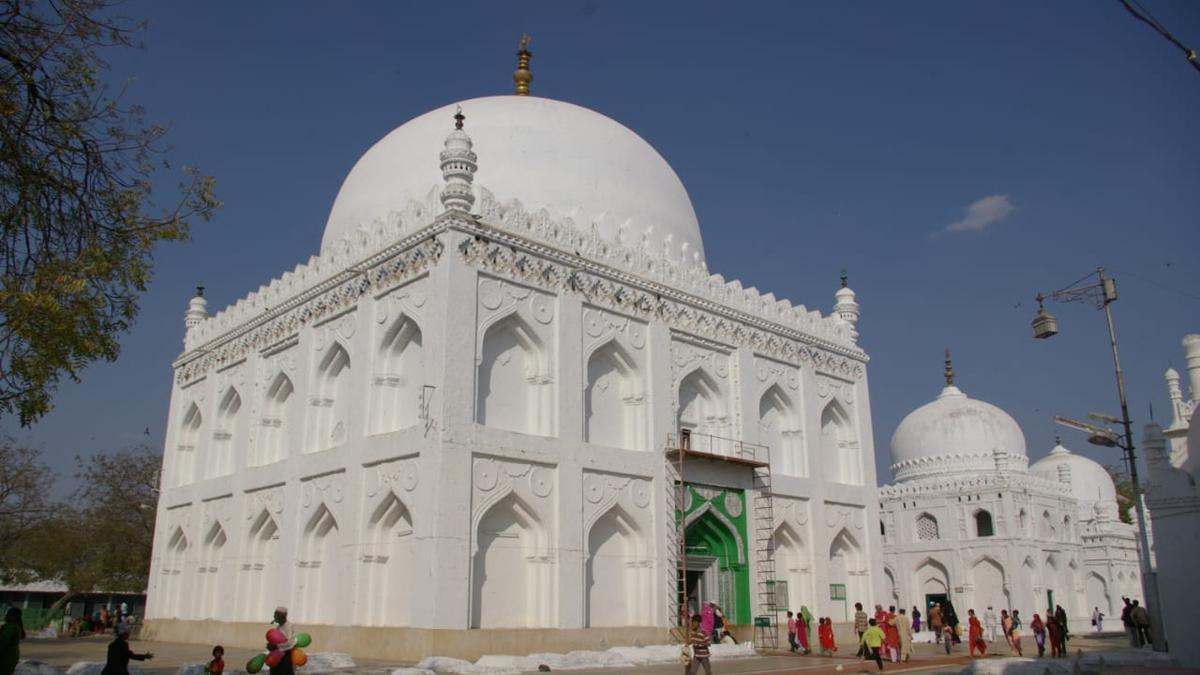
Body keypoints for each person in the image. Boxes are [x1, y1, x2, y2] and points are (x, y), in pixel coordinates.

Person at [269, 606, 298, 675]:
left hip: (285, 659)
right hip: (276, 659)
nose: (274, 616)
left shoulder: (290, 626)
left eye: (275, 615)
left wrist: (276, 646)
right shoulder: (278, 627)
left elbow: (291, 642)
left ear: (282, 616)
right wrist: (270, 645)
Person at [1, 607, 26, 675]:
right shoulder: (14, 626)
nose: (6, 615)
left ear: (14, 617)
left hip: (6, 657)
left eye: (9, 614)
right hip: (11, 656)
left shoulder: (12, 628)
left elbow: (2, 641)